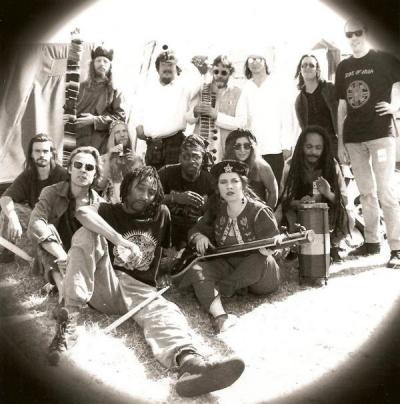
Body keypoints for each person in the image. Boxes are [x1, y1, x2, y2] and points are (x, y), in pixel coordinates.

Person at [47, 166, 245, 397]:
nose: (145, 196)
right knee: (86, 234)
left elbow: (166, 253)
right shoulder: (109, 209)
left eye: (151, 192)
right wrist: (120, 240)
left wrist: (181, 263)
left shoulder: (162, 214)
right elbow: (82, 212)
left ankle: (192, 366)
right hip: (106, 286)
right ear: (127, 186)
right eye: (140, 188)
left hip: (141, 291)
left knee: (167, 314)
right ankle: (70, 319)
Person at [177, 160, 280, 333]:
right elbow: (194, 230)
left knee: (261, 257)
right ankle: (220, 317)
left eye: (234, 181)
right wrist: (199, 236)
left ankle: (221, 289)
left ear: (243, 184)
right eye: (223, 182)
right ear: (218, 188)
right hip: (230, 266)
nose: (229, 186)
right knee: (197, 269)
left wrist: (271, 249)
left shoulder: (259, 211)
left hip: (261, 277)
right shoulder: (217, 210)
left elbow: (276, 246)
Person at [335, 17, 400, 267]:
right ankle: (372, 242)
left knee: (386, 191)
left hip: (381, 134)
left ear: (367, 32)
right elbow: (342, 107)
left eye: (358, 33)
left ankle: (396, 247)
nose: (353, 38)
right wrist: (341, 142)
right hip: (354, 138)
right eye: (349, 34)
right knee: (365, 192)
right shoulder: (343, 67)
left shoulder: (384, 58)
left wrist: (394, 106)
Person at [28, 146, 103, 297]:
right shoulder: (51, 192)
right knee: (47, 228)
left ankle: (67, 286)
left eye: (89, 167)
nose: (83, 170)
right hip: (55, 252)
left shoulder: (101, 204)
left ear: (95, 174)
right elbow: (35, 223)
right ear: (69, 169)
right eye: (78, 165)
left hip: (83, 257)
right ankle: (62, 287)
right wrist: (61, 254)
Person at [278, 125, 349, 262]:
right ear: (301, 147)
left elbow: (344, 201)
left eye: (318, 148)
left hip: (326, 213)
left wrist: (328, 193)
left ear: (324, 148)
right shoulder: (290, 165)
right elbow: (284, 199)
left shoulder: (332, 165)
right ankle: (293, 247)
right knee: (279, 214)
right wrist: (300, 203)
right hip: (297, 213)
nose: (313, 152)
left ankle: (332, 246)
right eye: (309, 147)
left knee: (348, 217)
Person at [0, 134, 68, 263]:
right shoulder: (29, 175)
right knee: (9, 210)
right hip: (37, 220)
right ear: (31, 154)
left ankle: (53, 253)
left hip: (58, 224)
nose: (41, 155)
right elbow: (5, 198)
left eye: (45, 151)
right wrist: (13, 218)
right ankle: (8, 252)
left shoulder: (62, 175)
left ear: (51, 154)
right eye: (37, 151)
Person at [136, 48, 199, 170]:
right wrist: (139, 126)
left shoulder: (185, 88)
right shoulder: (148, 89)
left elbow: (198, 79)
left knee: (172, 179)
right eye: (163, 65)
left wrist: (179, 59)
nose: (167, 68)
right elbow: (139, 111)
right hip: (153, 145)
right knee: (153, 179)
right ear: (157, 68)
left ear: (177, 68)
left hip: (175, 145)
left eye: (170, 65)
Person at [236, 54, 292, 187]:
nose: (254, 62)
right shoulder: (247, 87)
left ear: (266, 62)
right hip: (253, 150)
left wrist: (286, 145)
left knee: (275, 188)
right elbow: (241, 119)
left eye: (258, 59)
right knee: (255, 189)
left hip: (275, 149)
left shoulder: (277, 85)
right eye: (251, 59)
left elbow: (286, 117)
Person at [66, 45, 126, 154]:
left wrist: (94, 120)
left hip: (102, 143)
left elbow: (120, 119)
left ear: (110, 66)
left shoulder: (115, 91)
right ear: (92, 64)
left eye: (105, 61)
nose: (102, 64)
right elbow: (68, 112)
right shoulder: (80, 87)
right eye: (98, 60)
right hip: (79, 141)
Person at [158, 135, 215, 249]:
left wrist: (207, 206)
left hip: (195, 232)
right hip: (167, 229)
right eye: (186, 156)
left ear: (202, 159)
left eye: (196, 157)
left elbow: (217, 211)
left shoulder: (210, 180)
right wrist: (175, 198)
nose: (191, 161)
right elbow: (148, 199)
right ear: (179, 158)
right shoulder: (166, 173)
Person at [186, 55, 244, 162]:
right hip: (202, 150)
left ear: (230, 73)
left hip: (226, 150)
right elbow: (188, 119)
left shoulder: (238, 92)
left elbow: (241, 123)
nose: (219, 76)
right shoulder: (201, 89)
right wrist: (195, 112)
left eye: (224, 73)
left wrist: (216, 116)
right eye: (216, 72)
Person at [294, 54, 339, 156]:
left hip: (334, 144)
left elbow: (342, 113)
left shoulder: (330, 89)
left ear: (317, 69)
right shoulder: (299, 100)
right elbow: (304, 129)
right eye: (304, 65)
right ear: (300, 70)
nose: (307, 67)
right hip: (314, 148)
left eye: (311, 65)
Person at [224, 129, 278, 208]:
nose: (242, 150)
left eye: (246, 146)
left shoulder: (262, 167)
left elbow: (273, 193)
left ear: (252, 148)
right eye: (237, 146)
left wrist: (265, 213)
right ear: (231, 148)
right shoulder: (225, 166)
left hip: (256, 212)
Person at [97, 120, 143, 203]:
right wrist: (109, 158)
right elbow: (100, 186)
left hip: (131, 203)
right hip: (109, 204)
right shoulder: (103, 158)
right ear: (112, 137)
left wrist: (135, 164)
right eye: (117, 132)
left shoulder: (137, 159)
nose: (122, 134)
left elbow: (141, 187)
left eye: (124, 131)